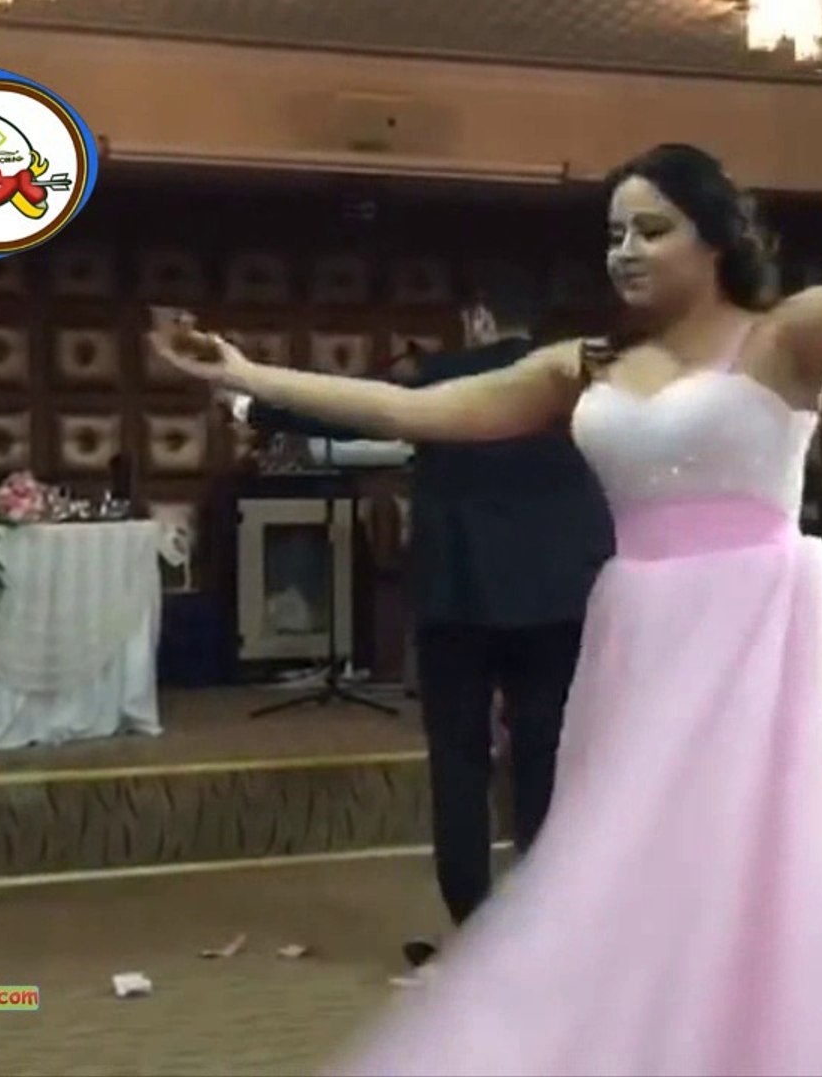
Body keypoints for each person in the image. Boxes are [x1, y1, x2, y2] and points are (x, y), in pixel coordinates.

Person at [151, 27, 822, 1076]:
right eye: (614, 232)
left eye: (650, 229)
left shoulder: (785, 339)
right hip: (642, 638)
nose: (623, 250)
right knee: (646, 875)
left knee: (783, 873)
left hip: (764, 636)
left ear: (713, 238)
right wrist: (246, 373)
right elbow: (408, 409)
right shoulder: (586, 365)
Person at [230, 266, 614, 965]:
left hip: (459, 599)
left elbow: (352, 410)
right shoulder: (578, 381)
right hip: (558, 598)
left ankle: (471, 931)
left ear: (478, 319)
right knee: (546, 758)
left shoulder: (445, 378)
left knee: (459, 763)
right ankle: (547, 932)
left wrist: (248, 405)